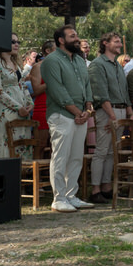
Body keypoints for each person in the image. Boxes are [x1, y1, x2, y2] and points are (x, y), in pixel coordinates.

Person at [40, 26, 95, 212]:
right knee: (61, 157)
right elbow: (57, 91)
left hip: (80, 115)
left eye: (77, 35)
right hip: (61, 115)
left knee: (76, 157)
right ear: (61, 40)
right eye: (73, 36)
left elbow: (87, 85)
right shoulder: (51, 61)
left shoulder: (79, 60)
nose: (77, 39)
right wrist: (77, 112)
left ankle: (71, 195)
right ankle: (59, 198)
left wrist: (88, 109)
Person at [88, 32, 133, 204]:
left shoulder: (118, 65)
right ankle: (95, 190)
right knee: (101, 151)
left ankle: (106, 187)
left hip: (120, 110)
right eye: (116, 42)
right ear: (105, 43)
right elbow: (100, 93)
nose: (119, 45)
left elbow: (125, 91)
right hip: (107, 112)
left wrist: (130, 113)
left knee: (110, 152)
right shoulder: (97, 65)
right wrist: (112, 115)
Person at [0, 34, 35, 160]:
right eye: (12, 42)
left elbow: (22, 85)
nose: (16, 44)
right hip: (5, 111)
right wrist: (18, 108)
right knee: (6, 145)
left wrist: (30, 103)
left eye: (18, 42)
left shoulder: (16, 64)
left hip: (23, 111)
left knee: (22, 144)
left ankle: (22, 176)